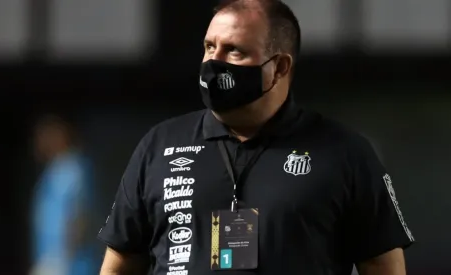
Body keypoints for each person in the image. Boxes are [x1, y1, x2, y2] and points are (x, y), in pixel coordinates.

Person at [97, 0, 414, 274]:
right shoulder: (159, 145)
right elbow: (119, 265)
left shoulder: (345, 153)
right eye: (210, 47)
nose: (213, 62)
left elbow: (383, 267)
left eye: (233, 51)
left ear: (279, 67)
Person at [30, 115, 99, 275]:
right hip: (51, 259)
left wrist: (61, 262)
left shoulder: (74, 168)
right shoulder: (52, 170)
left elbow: (80, 217)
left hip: (70, 265)